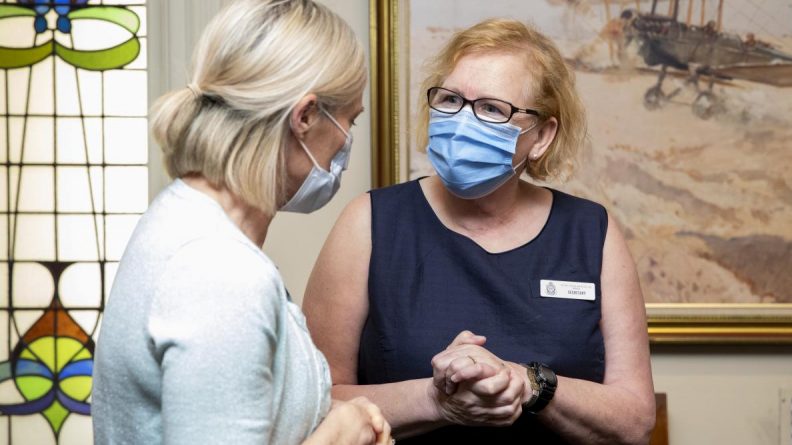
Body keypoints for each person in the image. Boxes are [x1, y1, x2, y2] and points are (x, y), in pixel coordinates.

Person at [303, 18, 655, 444]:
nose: (463, 122)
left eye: (492, 109)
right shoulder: (370, 222)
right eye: (450, 100)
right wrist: (436, 398)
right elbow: (316, 404)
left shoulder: (591, 233)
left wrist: (526, 382)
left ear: (542, 135)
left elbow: (635, 420)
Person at [92, 1, 391, 444]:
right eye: (350, 119)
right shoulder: (219, 272)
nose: (346, 142)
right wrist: (341, 436)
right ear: (306, 117)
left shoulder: (183, 216)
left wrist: (341, 413)